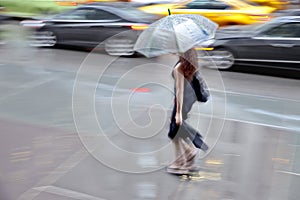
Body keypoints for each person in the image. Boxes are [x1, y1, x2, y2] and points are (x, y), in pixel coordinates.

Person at [167, 48, 209, 174]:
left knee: (175, 129)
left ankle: (189, 152)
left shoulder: (179, 67)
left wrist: (178, 113)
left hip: (183, 100)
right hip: (190, 99)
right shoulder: (192, 64)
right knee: (175, 130)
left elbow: (180, 90)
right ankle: (182, 161)